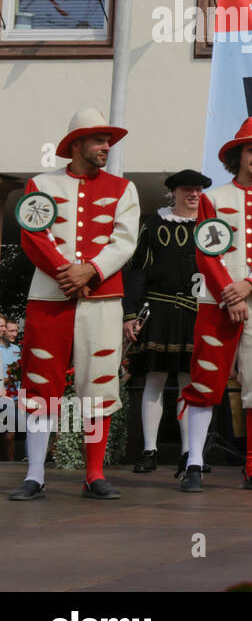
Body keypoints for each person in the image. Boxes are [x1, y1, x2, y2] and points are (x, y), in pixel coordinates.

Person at [9, 108, 140, 501]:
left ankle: (94, 474)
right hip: (49, 297)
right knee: (39, 383)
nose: (106, 147)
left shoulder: (124, 189)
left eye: (109, 141)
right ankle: (35, 474)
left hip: (102, 299)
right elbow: (34, 235)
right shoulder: (41, 183)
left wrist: (91, 271)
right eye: (99, 140)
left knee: (99, 382)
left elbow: (125, 240)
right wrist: (67, 272)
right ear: (77, 143)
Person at [177, 117, 252, 494]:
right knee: (205, 379)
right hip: (217, 300)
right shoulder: (214, 198)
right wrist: (229, 291)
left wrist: (248, 286)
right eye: (251, 149)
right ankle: (194, 462)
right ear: (237, 155)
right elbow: (206, 251)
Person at [123, 169, 211, 475]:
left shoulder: (209, 227)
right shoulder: (155, 224)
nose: (193, 194)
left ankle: (190, 453)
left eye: (198, 189)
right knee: (155, 378)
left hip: (194, 311)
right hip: (158, 308)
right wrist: (131, 314)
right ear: (173, 192)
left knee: (190, 382)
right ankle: (149, 450)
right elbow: (137, 270)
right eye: (187, 189)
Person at [1, 315, 20, 462]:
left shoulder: (16, 348)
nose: (15, 334)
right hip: (4, 396)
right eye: (11, 330)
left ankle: (12, 464)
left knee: (11, 434)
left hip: (17, 397)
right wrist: (8, 379)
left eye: (16, 331)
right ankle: (10, 464)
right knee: (9, 434)